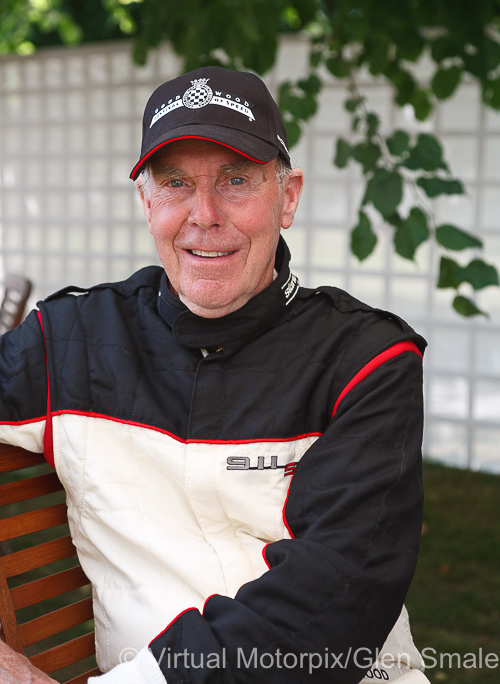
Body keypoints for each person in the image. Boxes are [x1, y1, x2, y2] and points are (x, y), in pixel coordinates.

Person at [0, 66, 429, 684]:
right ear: (147, 204)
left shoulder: (365, 361)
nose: (204, 214)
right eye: (175, 183)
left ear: (287, 197)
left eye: (235, 180)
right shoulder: (71, 342)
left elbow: (336, 598)